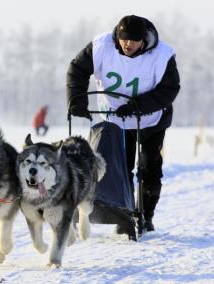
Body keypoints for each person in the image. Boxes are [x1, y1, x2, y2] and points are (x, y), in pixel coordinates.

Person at [66, 15, 180, 232]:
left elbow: (169, 89)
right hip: (115, 118)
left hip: (151, 119)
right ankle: (125, 213)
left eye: (133, 40)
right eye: (123, 39)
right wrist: (77, 100)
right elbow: (77, 70)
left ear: (144, 40)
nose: (127, 44)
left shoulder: (162, 55)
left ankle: (146, 215)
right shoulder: (101, 46)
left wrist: (138, 105)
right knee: (120, 167)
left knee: (149, 168)